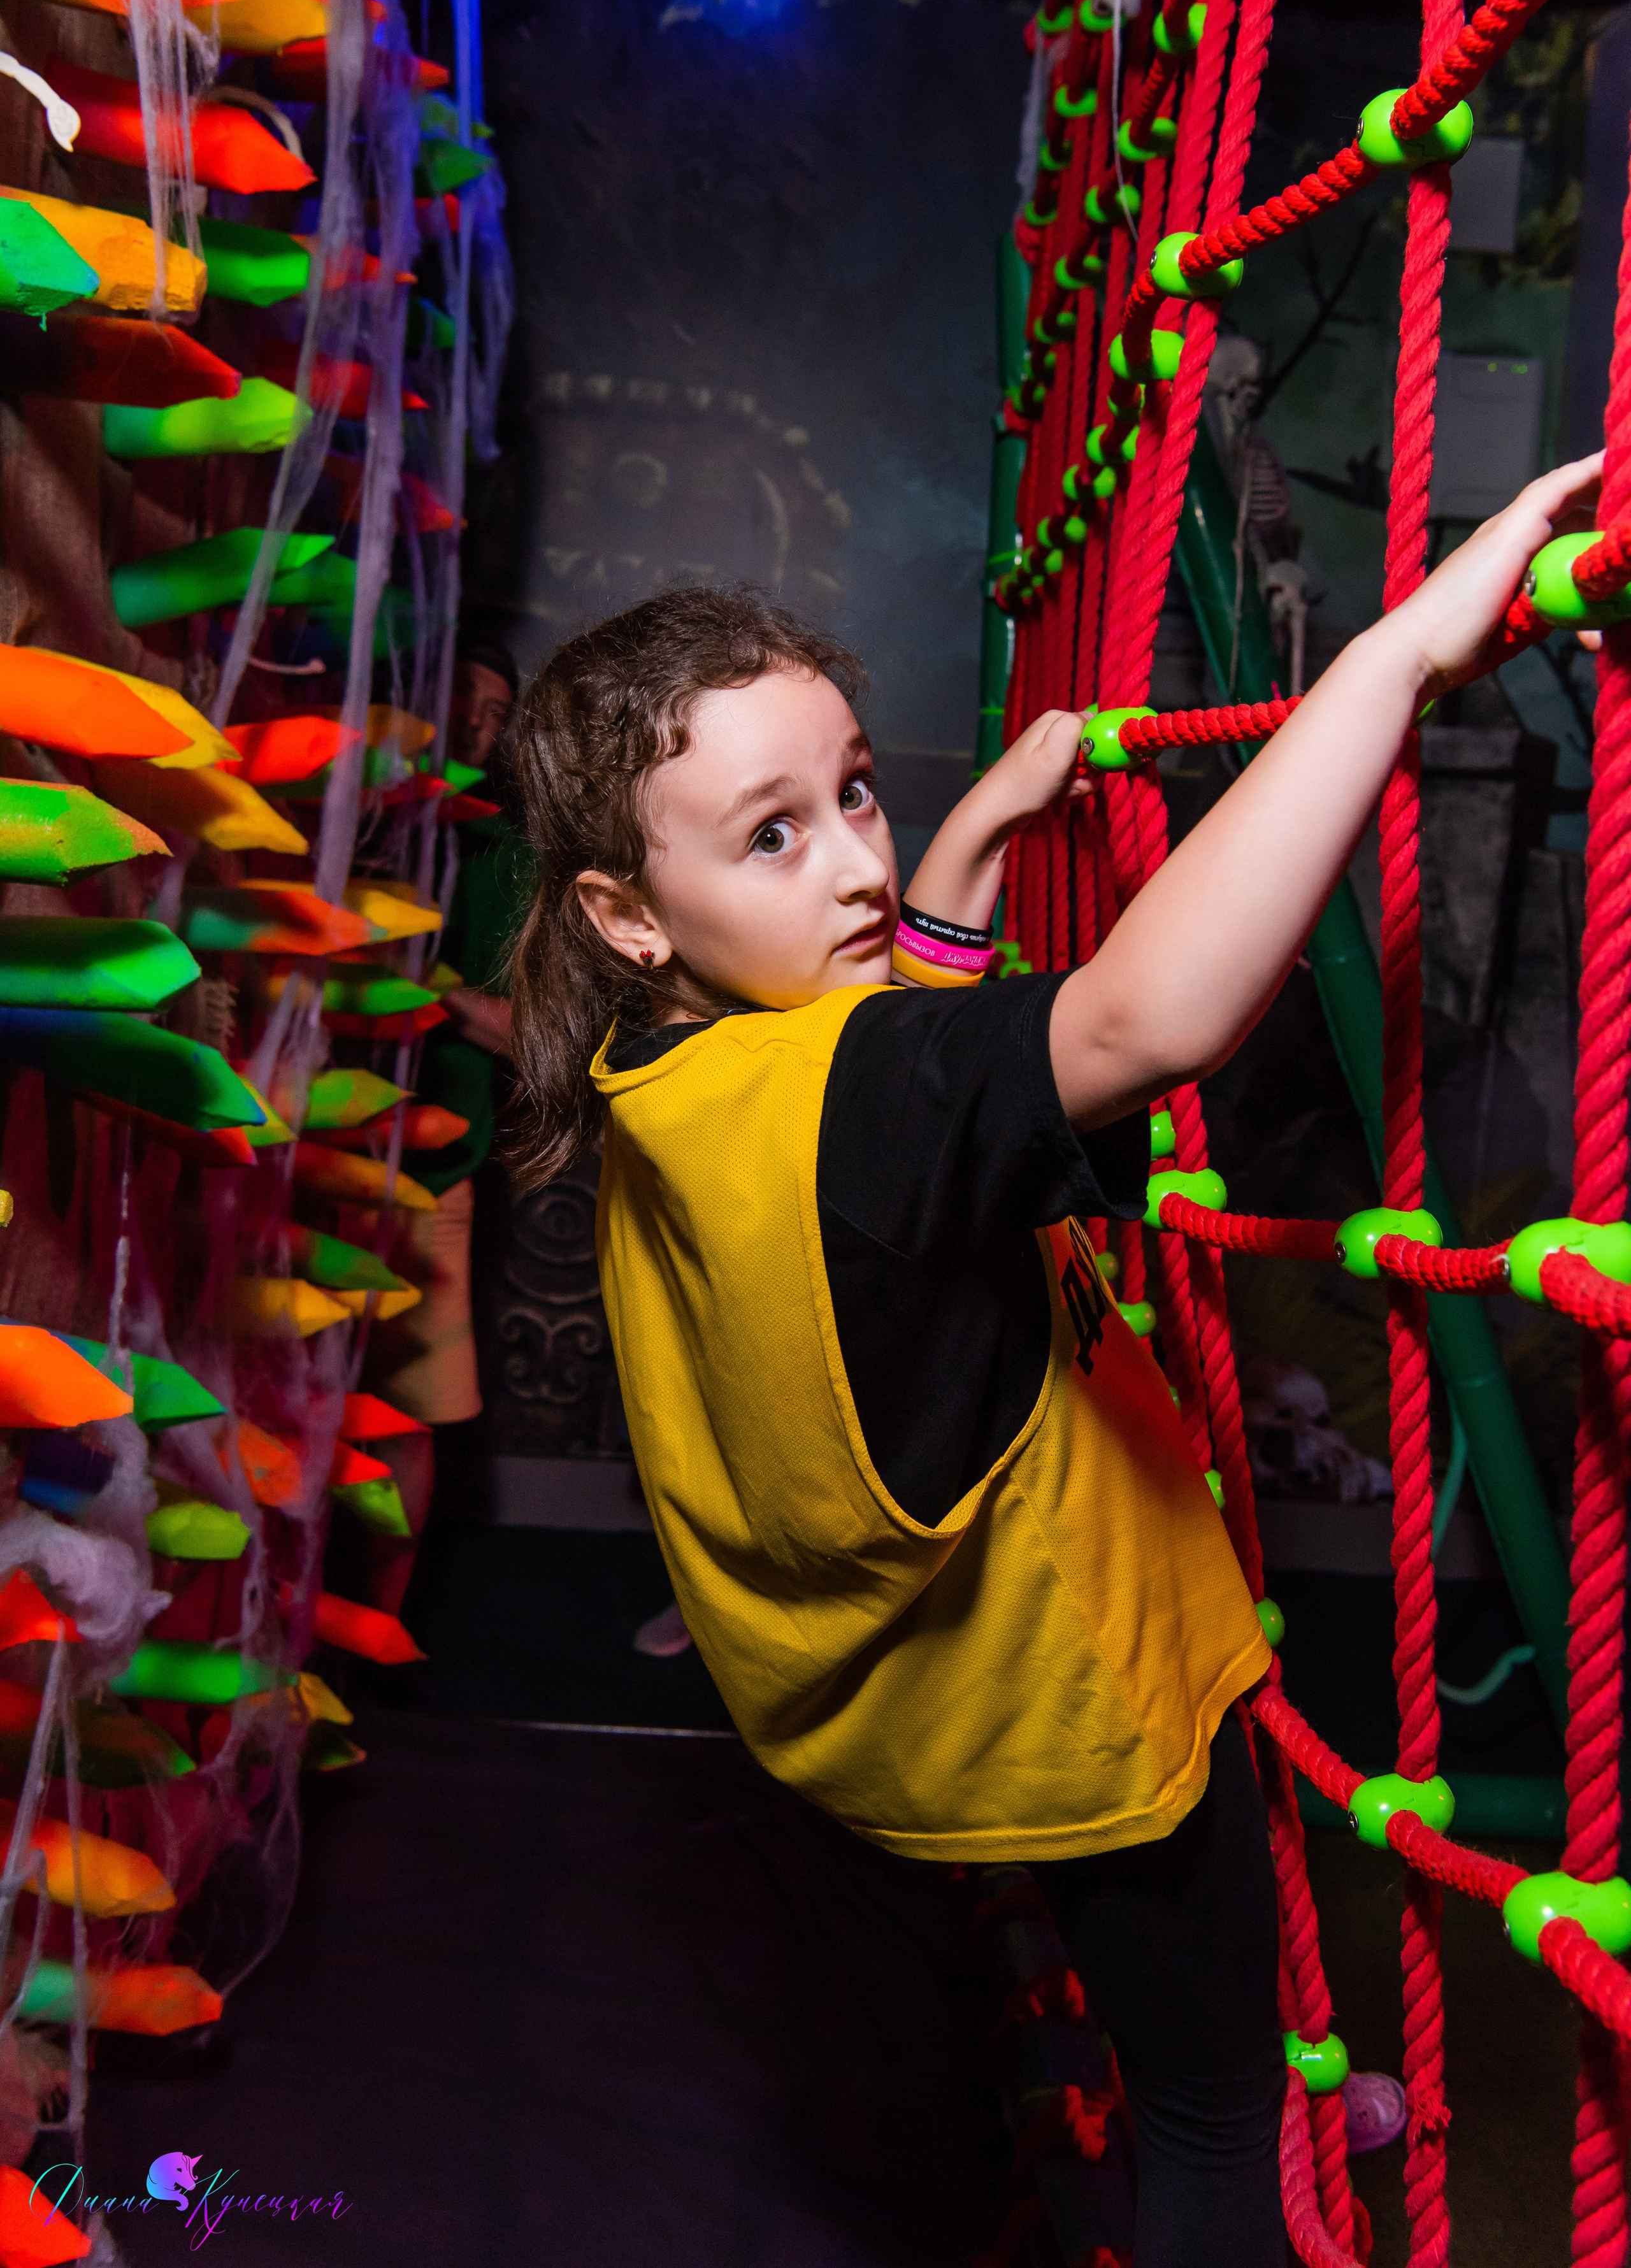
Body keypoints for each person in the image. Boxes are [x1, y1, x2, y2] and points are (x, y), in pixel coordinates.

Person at [498, 456, 1602, 2267]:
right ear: (631, 912)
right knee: (1206, 2123)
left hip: (866, 1741)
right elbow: (1138, 1016)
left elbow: (882, 1077)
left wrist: (969, 844)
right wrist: (1396, 655)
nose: (853, 856)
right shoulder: (865, 1099)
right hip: (1079, 1722)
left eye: (856, 790)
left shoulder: (673, 1083)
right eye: (774, 834)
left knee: (950, 2081)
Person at [359, 638, 532, 1614]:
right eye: (462, 696)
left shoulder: (508, 856)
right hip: (297, 1158)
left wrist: (432, 993)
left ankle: (375, 1632)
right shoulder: (361, 806)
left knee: (404, 1421)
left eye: (494, 711)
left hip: (433, 1182)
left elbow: (531, 1037)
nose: (474, 720)